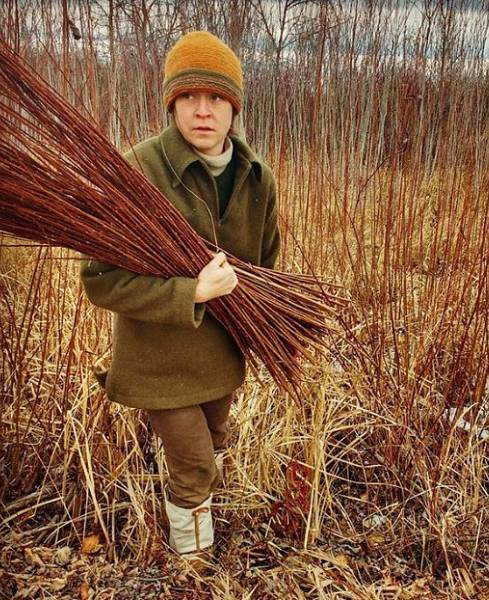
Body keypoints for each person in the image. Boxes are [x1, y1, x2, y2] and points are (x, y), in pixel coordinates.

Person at [80, 31, 280, 562]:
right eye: (188, 97)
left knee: (210, 449)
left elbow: (266, 268)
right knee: (195, 466)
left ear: (233, 105)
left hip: (222, 356)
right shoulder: (138, 170)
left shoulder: (258, 177)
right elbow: (100, 280)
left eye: (216, 98)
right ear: (172, 103)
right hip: (159, 362)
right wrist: (192, 291)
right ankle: (194, 567)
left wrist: (266, 320)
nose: (202, 111)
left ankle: (184, 517)